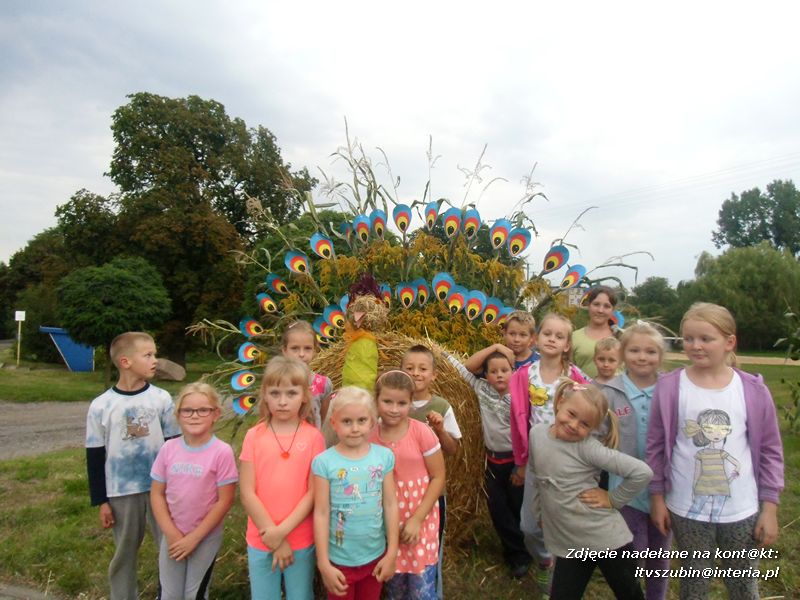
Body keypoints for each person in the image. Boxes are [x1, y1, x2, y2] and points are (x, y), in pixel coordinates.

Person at [647, 302, 784, 599]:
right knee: (694, 584)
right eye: (689, 338)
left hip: (741, 510)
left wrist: (769, 508)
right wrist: (657, 497)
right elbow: (656, 446)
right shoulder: (670, 387)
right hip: (686, 509)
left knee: (742, 585)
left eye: (706, 339)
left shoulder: (753, 390)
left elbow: (771, 451)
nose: (695, 346)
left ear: (729, 342)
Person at [530, 378, 652, 599]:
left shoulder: (589, 449)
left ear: (593, 429)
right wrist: (540, 511)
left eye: (585, 424)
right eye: (571, 414)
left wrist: (613, 499)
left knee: (630, 594)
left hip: (607, 540)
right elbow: (539, 477)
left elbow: (642, 472)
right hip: (572, 544)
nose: (574, 425)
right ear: (559, 403)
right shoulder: (537, 434)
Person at [85, 331, 181, 600]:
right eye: (148, 355)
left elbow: (174, 445)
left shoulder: (161, 399)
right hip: (121, 492)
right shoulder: (101, 406)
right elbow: (94, 455)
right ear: (126, 362)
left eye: (155, 354)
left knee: (169, 547)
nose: (155, 360)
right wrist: (101, 500)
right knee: (125, 551)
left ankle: (170, 594)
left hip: (160, 490)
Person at [509, 312, 590, 591]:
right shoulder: (523, 376)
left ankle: (558, 585)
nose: (552, 339)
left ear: (567, 344)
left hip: (568, 464)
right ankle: (545, 561)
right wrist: (521, 461)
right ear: (536, 339)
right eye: (547, 334)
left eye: (559, 336)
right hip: (536, 462)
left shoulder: (576, 377)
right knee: (530, 527)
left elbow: (592, 414)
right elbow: (517, 420)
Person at [239, 356, 325, 600]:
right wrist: (273, 536)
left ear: (304, 396)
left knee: (300, 595)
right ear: (265, 394)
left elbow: (313, 492)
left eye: (291, 393)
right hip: (261, 537)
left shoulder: (313, 438)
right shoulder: (254, 436)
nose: (283, 402)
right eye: (275, 393)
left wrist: (283, 533)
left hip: (300, 539)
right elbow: (247, 492)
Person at [599, 322, 670, 600]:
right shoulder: (609, 392)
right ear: (623, 353)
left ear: (660, 356)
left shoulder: (670, 389)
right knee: (631, 555)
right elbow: (597, 436)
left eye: (651, 351)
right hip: (625, 491)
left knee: (659, 555)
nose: (642, 357)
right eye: (635, 350)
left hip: (664, 490)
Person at [446, 349, 531, 578]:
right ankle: (517, 555)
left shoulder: (521, 397)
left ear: (514, 372)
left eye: (504, 370)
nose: (499, 375)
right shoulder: (482, 389)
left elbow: (529, 431)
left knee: (518, 508)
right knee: (498, 510)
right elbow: (461, 370)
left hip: (516, 462)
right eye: (493, 371)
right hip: (493, 463)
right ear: (486, 376)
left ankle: (527, 550)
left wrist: (522, 466)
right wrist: (441, 354)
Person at [150, 382, 238, 600]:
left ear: (215, 414)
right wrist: (171, 533)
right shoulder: (168, 449)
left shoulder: (222, 452)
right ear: (178, 415)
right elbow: (157, 494)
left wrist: (195, 538)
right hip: (172, 535)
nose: (195, 416)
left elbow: (224, 501)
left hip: (205, 537)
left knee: (195, 594)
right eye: (187, 410)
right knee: (169, 594)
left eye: (203, 410)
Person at [313, 386, 399, 600]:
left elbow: (390, 504)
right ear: (334, 423)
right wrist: (323, 563)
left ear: (372, 421)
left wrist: (392, 552)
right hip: (339, 562)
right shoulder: (324, 462)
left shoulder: (384, 457)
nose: (355, 428)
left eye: (361, 420)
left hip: (375, 558)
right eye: (347, 421)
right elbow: (321, 512)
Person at [370, 370, 446, 599]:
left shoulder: (421, 433)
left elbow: (438, 477)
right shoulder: (370, 436)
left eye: (401, 403)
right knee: (395, 586)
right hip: (387, 521)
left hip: (420, 519)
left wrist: (416, 519)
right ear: (376, 401)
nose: (394, 409)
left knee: (420, 586)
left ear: (411, 402)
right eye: (387, 401)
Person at [401, 345, 459, 598]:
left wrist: (440, 430)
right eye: (409, 368)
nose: (416, 373)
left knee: (431, 548)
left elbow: (453, 449)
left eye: (423, 369)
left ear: (434, 374)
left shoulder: (441, 406)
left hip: (431, 494)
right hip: (398, 494)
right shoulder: (394, 404)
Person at [282, 320, 333, 430]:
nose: (301, 354)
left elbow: (321, 418)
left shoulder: (323, 384)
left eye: (307, 348)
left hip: (313, 445)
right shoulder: (277, 384)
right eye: (295, 348)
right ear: (284, 351)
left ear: (315, 350)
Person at [463, 310, 539, 373]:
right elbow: (468, 366)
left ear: (531, 338)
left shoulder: (540, 362)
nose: (516, 339)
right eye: (512, 334)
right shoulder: (496, 357)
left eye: (523, 335)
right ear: (504, 334)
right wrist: (496, 347)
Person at [572, 286, 619, 377]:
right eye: (596, 304)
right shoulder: (574, 337)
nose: (600, 310)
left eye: (606, 306)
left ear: (613, 310)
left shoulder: (622, 336)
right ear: (589, 305)